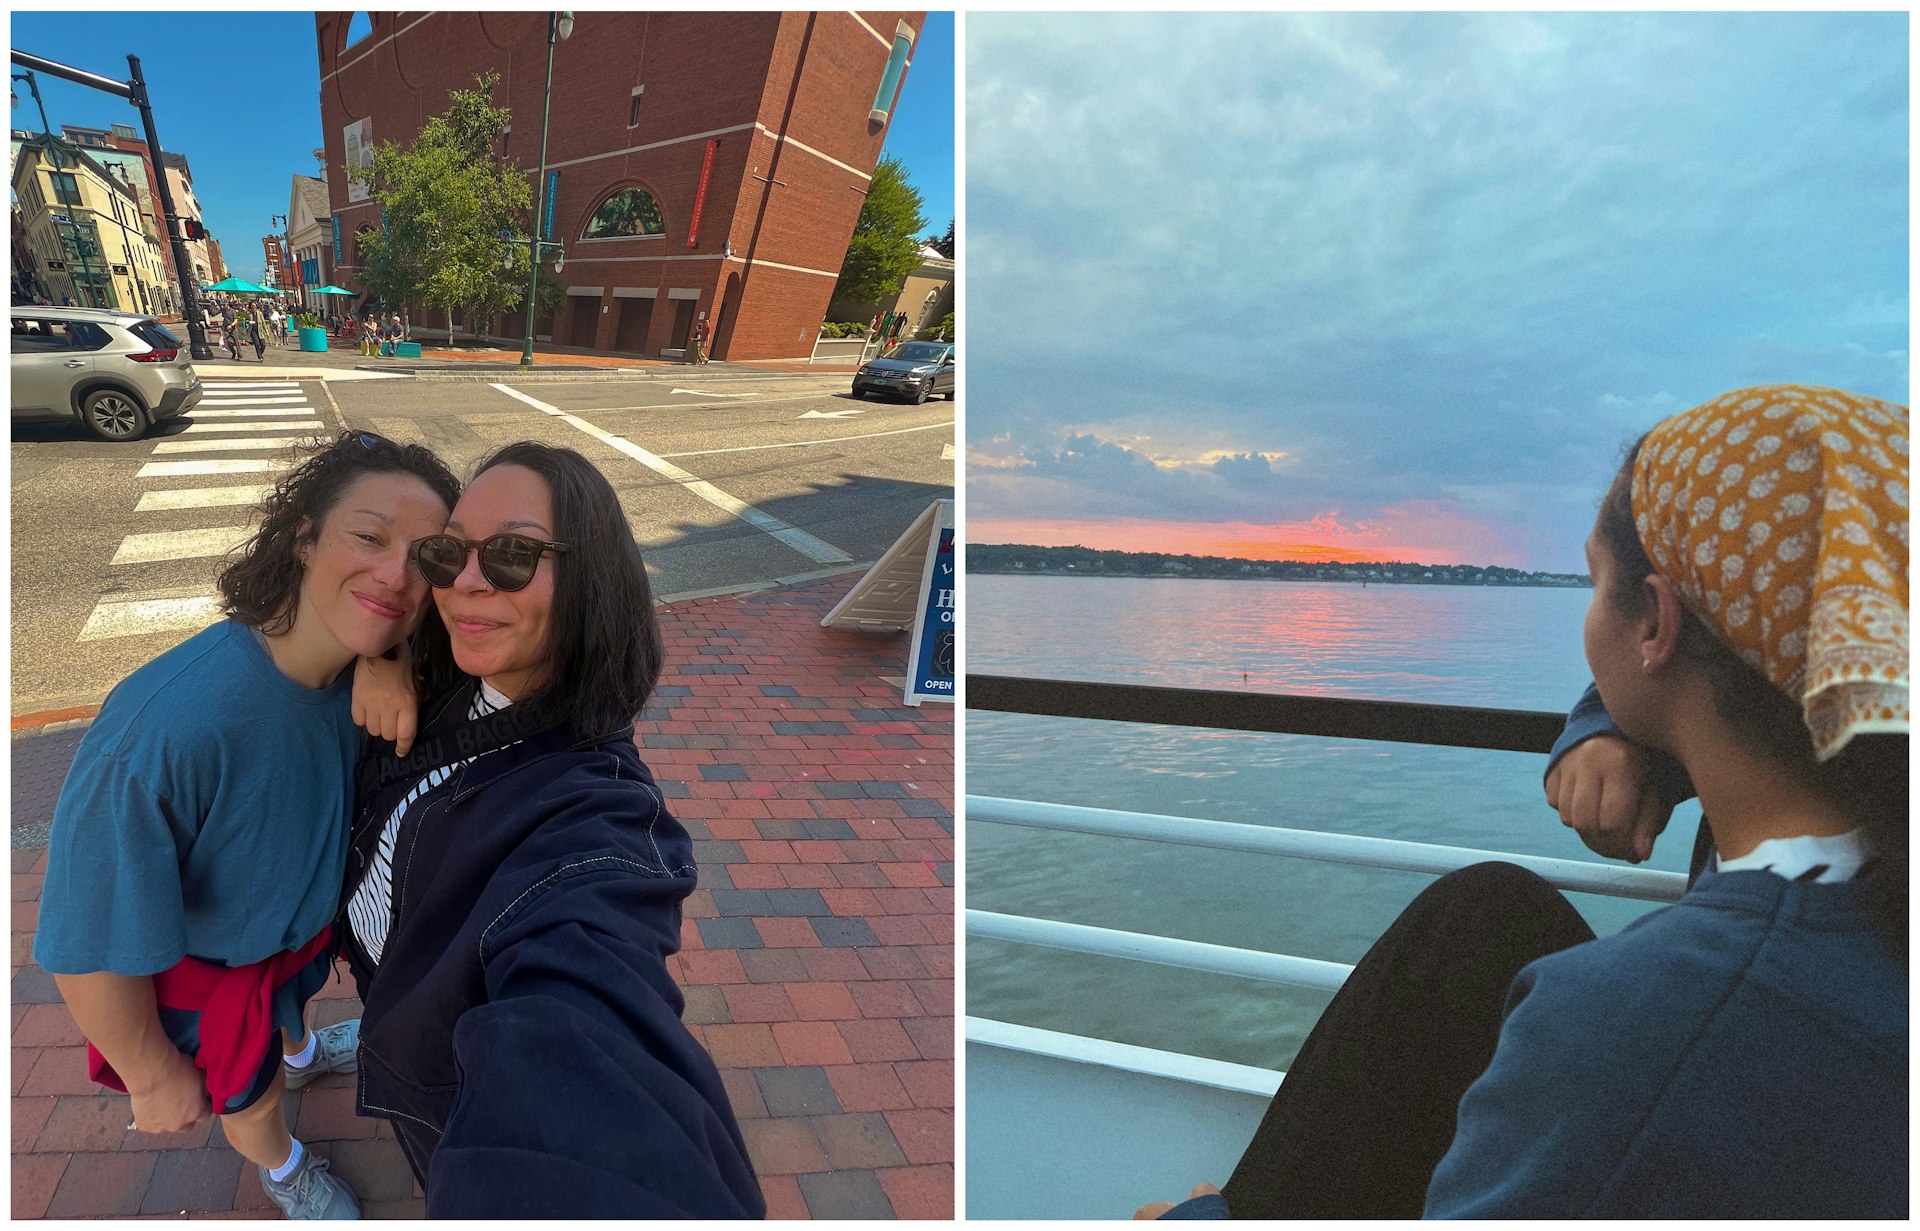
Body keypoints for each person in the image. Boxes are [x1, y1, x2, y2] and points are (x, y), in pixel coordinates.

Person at [1139, 385, 1907, 1220]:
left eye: (1592, 582)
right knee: (1485, 916)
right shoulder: (1873, 792)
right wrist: (1607, 724)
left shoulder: (1628, 1023)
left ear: (1655, 621)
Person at [35, 432, 462, 1220]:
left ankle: (298, 1049)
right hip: (217, 977)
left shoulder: (352, 669)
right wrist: (150, 1070)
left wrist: (390, 652)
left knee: (289, 1020)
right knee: (253, 1096)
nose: (399, 576)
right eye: (367, 537)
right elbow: (85, 942)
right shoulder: (167, 728)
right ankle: (284, 1165)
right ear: (302, 535)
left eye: (426, 556)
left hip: (293, 944)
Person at [340, 442, 764, 1216]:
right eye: (449, 552)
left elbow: (586, 1002)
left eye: (511, 554)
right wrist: (382, 653)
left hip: (447, 1072)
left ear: (588, 577)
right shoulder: (454, 674)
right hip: (391, 994)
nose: (465, 582)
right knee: (424, 1150)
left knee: (442, 1149)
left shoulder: (592, 811)